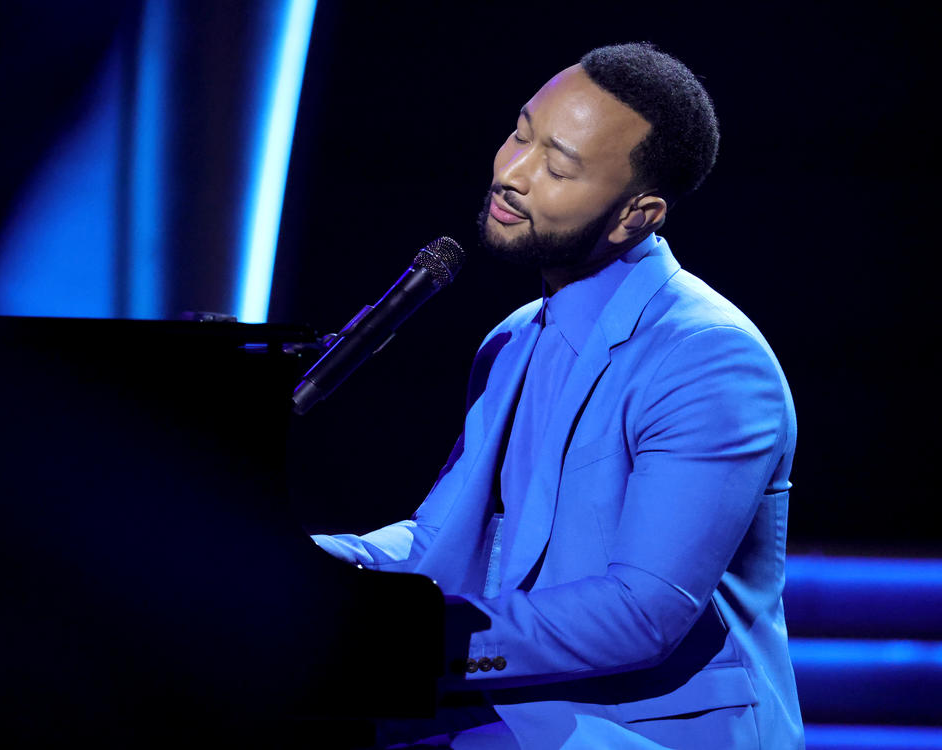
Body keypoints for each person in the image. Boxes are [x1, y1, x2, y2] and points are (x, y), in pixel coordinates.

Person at [313, 42, 803, 749]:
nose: (511, 174)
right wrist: (306, 566)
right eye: (520, 133)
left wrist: (411, 640)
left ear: (636, 215)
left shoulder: (709, 358)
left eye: (557, 166)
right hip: (515, 707)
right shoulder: (513, 338)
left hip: (649, 729)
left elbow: (643, 612)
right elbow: (443, 538)